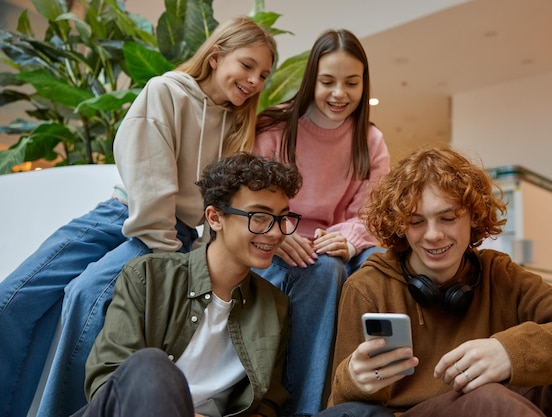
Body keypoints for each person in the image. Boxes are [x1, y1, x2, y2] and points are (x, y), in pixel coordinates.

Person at [0, 16, 276, 417]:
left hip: (174, 234)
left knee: (89, 297)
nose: (255, 80)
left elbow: (213, 212)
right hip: (125, 216)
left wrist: (187, 257)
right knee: (14, 297)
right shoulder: (165, 91)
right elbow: (151, 185)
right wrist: (169, 256)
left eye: (264, 74)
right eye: (247, 65)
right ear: (216, 57)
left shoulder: (238, 126)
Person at [320, 143, 552, 417]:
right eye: (416, 222)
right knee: (490, 399)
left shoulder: (499, 275)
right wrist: (353, 378)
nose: (433, 234)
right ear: (401, 227)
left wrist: (509, 352)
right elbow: (341, 405)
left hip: (499, 403)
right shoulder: (368, 286)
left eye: (448, 218)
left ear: (474, 216)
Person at [71, 152, 303, 417]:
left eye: (282, 218)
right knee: (150, 366)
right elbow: (106, 379)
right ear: (215, 218)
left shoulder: (275, 306)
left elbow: (267, 402)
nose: (274, 232)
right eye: (259, 217)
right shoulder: (148, 276)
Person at [252, 29, 390, 416]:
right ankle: (307, 409)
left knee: (380, 262)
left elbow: (372, 212)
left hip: (336, 243)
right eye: (327, 82)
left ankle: (381, 387)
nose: (339, 94)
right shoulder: (275, 129)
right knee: (325, 269)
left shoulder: (370, 140)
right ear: (311, 78)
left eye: (352, 83)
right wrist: (279, 232)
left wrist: (348, 239)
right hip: (279, 242)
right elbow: (253, 199)